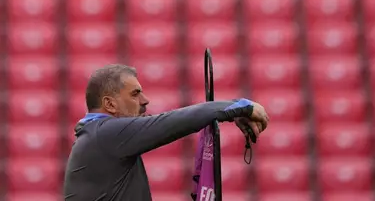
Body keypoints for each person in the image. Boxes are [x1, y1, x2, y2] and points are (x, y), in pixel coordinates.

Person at [63, 64, 269, 201]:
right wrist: (240, 106)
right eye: (135, 94)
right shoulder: (105, 134)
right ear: (109, 104)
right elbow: (171, 123)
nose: (145, 100)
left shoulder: (100, 137)